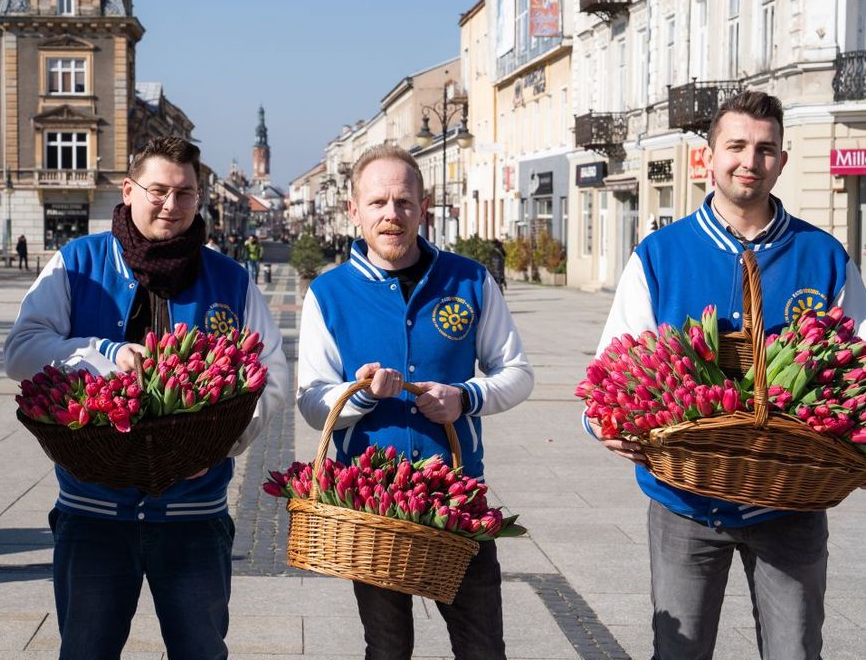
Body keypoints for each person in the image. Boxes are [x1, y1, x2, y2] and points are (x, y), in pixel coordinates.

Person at [589, 90, 866, 660]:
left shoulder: (825, 255)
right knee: (679, 652)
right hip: (684, 500)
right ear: (708, 157)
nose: (750, 161)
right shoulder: (661, 254)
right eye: (736, 146)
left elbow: (861, 366)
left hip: (791, 502)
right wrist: (605, 424)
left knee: (796, 652)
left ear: (782, 161)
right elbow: (613, 363)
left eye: (766, 149)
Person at [4, 136, 289, 660]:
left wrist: (220, 446)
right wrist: (104, 353)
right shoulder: (78, 262)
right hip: (92, 509)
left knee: (202, 652)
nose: (170, 205)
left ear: (199, 197)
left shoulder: (228, 277)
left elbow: (272, 373)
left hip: (194, 514)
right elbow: (20, 351)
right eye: (158, 190)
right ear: (128, 189)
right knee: (86, 652)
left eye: (185, 193)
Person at [296, 143, 534, 660]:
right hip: (372, 506)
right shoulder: (329, 293)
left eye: (404, 202)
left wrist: (465, 397)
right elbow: (313, 403)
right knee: (386, 650)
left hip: (457, 497)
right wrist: (357, 397)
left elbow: (517, 373)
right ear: (353, 210)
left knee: (483, 649)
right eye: (378, 202)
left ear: (423, 208)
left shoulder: (470, 280)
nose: (391, 215)